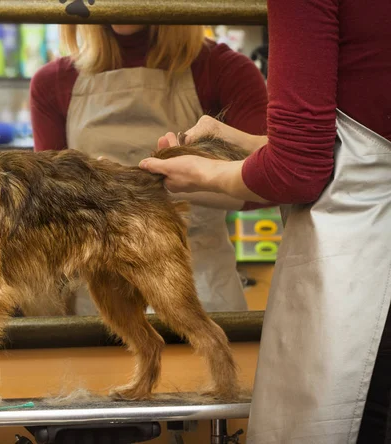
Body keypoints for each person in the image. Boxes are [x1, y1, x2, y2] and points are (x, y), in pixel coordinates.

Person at [139, 1, 391, 442]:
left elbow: (297, 171)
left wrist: (203, 173)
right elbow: (360, 139)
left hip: (368, 280)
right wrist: (251, 145)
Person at [29, 23, 267, 314]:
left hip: (202, 293)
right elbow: (48, 215)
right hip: (103, 304)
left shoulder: (224, 70)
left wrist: (191, 180)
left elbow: (268, 186)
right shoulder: (52, 82)